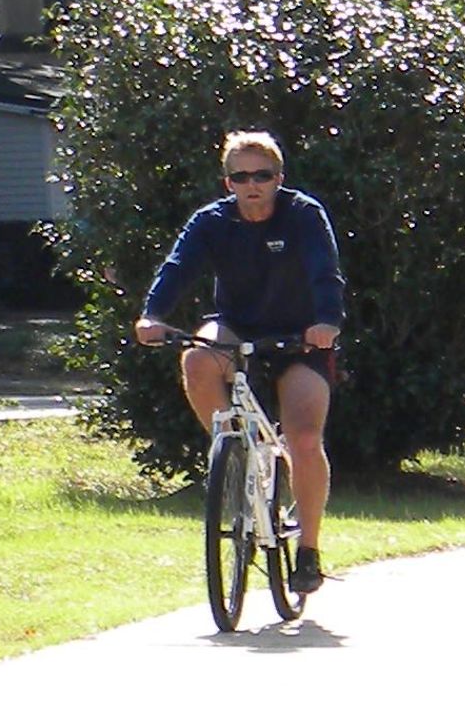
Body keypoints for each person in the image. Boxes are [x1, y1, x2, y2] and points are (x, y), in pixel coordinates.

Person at [135, 129, 346, 595]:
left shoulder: (304, 215)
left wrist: (327, 321)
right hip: (236, 328)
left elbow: (324, 271)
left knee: (305, 440)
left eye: (262, 175)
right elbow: (178, 267)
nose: (252, 185)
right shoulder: (212, 221)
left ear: (278, 178)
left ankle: (308, 550)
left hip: (300, 340)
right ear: (228, 182)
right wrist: (153, 315)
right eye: (241, 176)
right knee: (197, 358)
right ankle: (231, 455)